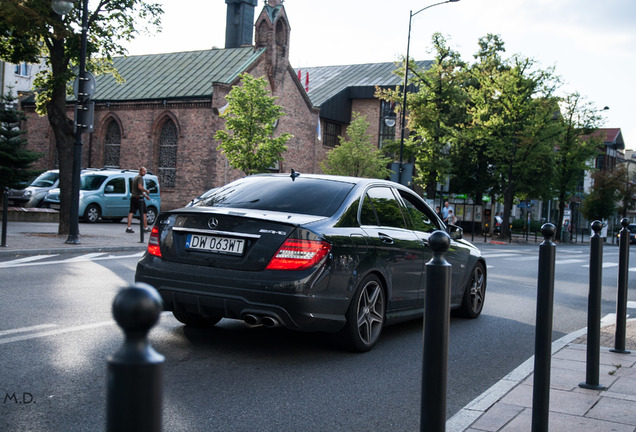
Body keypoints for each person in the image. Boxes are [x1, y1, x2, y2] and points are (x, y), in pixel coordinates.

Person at [126, 167, 151, 233]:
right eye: (143, 171)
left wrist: (145, 196)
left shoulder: (135, 178)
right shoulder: (140, 178)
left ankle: (128, 227)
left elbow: (138, 190)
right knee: (144, 212)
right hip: (139, 198)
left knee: (131, 212)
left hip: (133, 197)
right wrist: (146, 191)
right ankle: (145, 228)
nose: (144, 173)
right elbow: (140, 187)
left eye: (145, 171)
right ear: (140, 171)